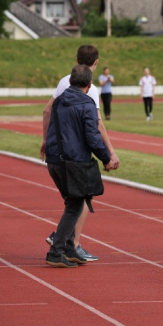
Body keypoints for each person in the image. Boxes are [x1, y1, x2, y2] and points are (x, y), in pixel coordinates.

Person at [40, 45, 120, 262]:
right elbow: (95, 132)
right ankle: (61, 247)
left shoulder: (60, 95)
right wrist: (108, 155)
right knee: (78, 201)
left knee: (73, 201)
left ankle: (65, 245)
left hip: (54, 157)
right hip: (73, 159)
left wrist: (46, 141)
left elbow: (47, 111)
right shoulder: (88, 99)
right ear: (91, 80)